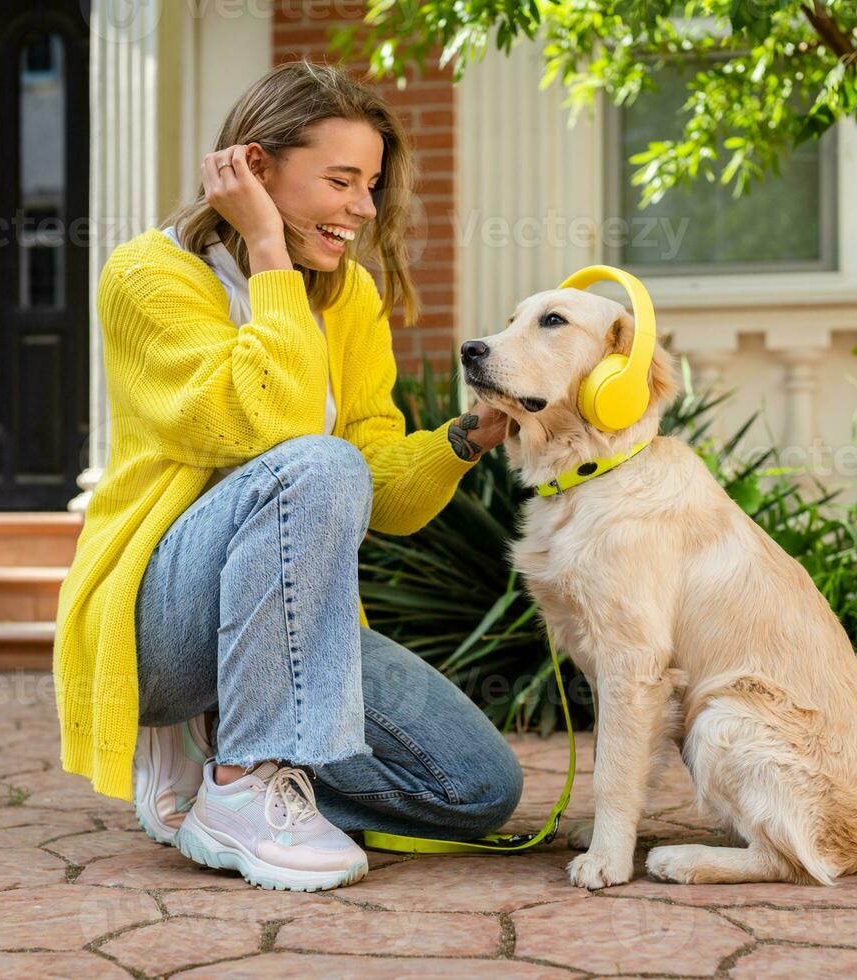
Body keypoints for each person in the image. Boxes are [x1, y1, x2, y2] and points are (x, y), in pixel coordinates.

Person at [53, 60, 524, 892]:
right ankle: (242, 780)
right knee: (312, 457)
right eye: (340, 180)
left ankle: (249, 760)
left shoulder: (351, 300)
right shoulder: (147, 276)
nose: (363, 210)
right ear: (254, 169)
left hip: (293, 626)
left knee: (477, 788)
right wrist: (270, 252)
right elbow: (259, 424)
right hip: (160, 623)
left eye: (371, 184)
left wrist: (464, 438)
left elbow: (376, 489)